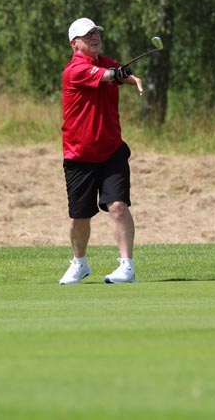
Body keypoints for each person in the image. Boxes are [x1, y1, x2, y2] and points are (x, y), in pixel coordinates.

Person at [59, 17, 144, 285]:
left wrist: (134, 79)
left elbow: (119, 73)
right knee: (79, 217)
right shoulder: (75, 70)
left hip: (111, 150)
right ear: (75, 44)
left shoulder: (106, 62)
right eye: (88, 35)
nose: (94, 37)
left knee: (118, 206)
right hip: (79, 154)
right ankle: (80, 264)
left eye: (96, 33)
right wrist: (121, 75)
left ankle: (127, 267)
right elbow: (109, 75)